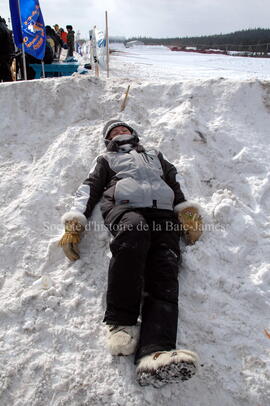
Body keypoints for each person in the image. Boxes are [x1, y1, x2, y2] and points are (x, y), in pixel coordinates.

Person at [59, 120, 203, 388]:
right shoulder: (106, 158)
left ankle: (155, 353)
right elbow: (88, 188)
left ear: (134, 134)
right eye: (113, 131)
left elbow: (174, 180)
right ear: (107, 140)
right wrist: (75, 222)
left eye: (123, 128)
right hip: (125, 208)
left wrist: (187, 210)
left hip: (163, 212)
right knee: (132, 235)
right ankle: (121, 322)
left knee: (165, 265)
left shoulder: (155, 155)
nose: (119, 131)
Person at [0, 16, 14, 82]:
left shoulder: (1, 28)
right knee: (7, 78)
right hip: (8, 57)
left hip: (2, 57)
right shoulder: (7, 29)